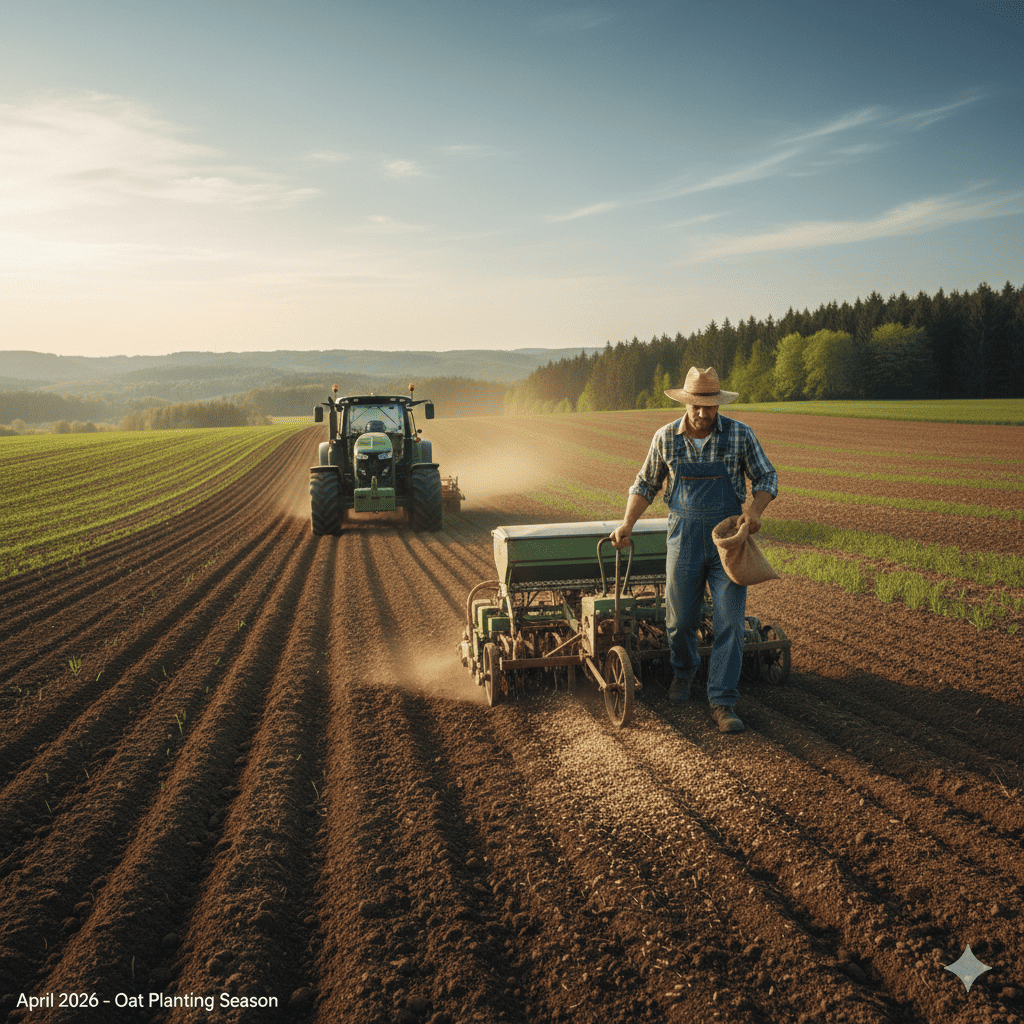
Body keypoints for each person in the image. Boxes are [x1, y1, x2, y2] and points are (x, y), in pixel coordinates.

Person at [609, 366, 778, 733]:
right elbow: (645, 484)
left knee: (730, 622)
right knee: (680, 619)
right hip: (682, 538)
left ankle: (722, 701)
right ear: (686, 403)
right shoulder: (666, 438)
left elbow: (767, 476)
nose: (703, 414)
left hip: (727, 542)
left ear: (718, 404)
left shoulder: (739, 435)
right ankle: (684, 672)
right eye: (696, 407)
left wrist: (754, 509)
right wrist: (627, 524)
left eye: (710, 407)